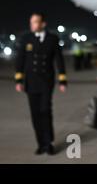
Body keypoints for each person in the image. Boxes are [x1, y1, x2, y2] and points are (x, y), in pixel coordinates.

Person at [14, 12, 67, 155]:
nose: (32, 25)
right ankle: (41, 144)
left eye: (35, 22)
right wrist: (18, 79)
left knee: (45, 111)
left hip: (46, 82)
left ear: (43, 24)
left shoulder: (52, 38)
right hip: (30, 83)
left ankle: (49, 142)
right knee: (35, 113)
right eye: (31, 22)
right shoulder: (26, 39)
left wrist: (62, 79)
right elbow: (20, 60)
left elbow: (59, 60)